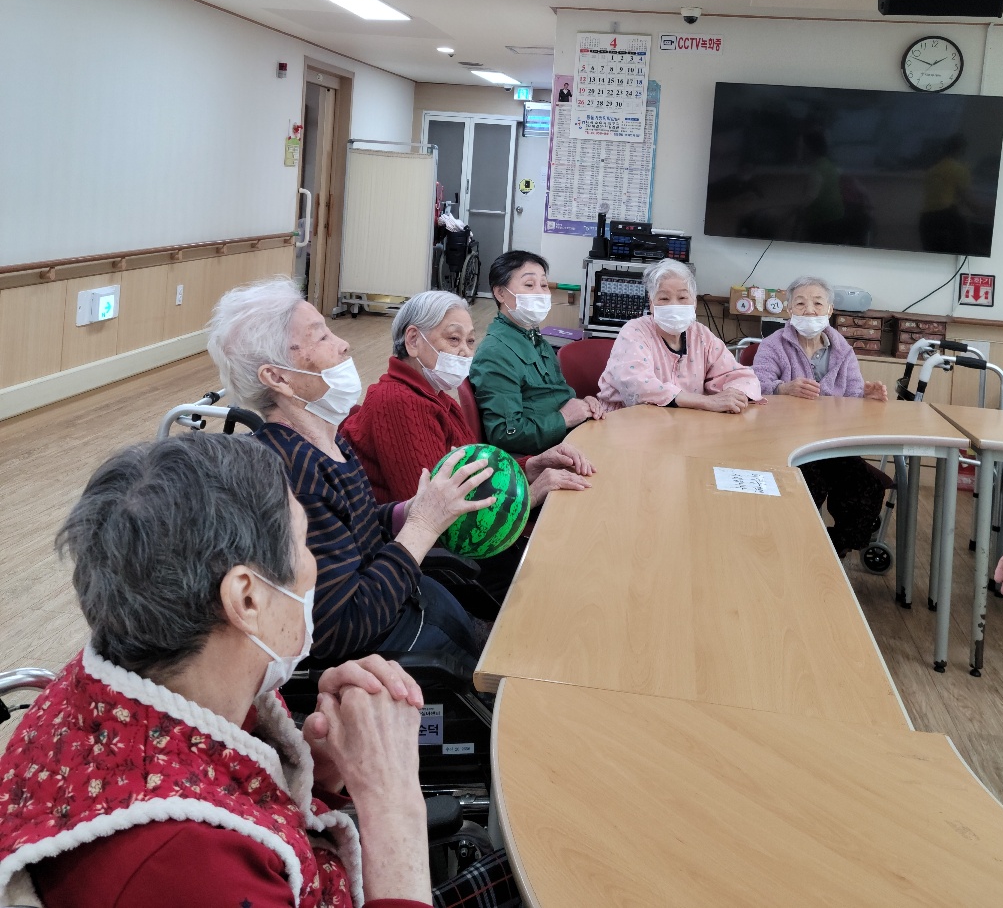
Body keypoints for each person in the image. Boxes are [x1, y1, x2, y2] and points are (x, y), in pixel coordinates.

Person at [0, 434, 520, 908]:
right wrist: (392, 804)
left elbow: (240, 792)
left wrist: (319, 768)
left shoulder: (135, 681)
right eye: (305, 544)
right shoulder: (184, 867)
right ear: (246, 598)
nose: (314, 566)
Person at [208, 277, 492, 671]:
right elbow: (343, 626)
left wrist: (407, 512)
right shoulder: (295, 479)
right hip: (380, 654)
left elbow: (354, 530)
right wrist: (424, 525)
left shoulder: (330, 442)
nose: (343, 343)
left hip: (410, 606)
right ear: (278, 377)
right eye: (321, 336)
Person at [349, 289, 595, 505]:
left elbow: (475, 470)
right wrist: (530, 494)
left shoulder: (438, 398)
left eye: (470, 341)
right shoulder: (398, 401)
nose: (466, 352)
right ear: (413, 340)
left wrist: (532, 465)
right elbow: (429, 515)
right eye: (453, 339)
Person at [752, 275, 892, 557]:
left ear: (829, 310)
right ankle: (790, 547)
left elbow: (852, 394)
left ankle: (831, 549)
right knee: (808, 486)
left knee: (867, 486)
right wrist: (783, 388)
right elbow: (755, 385)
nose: (809, 310)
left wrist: (866, 395)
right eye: (800, 303)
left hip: (832, 443)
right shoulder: (773, 345)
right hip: (786, 443)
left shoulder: (843, 350)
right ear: (789, 309)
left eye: (818, 303)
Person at [469, 250, 605, 454]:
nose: (541, 293)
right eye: (529, 285)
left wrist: (583, 405)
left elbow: (554, 394)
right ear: (500, 293)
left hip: (571, 438)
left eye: (544, 285)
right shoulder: (495, 354)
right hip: (544, 454)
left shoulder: (534, 337)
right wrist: (564, 418)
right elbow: (506, 434)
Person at [597, 258, 761, 413]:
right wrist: (706, 402)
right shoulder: (635, 331)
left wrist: (733, 396)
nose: (674, 305)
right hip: (626, 421)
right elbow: (638, 386)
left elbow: (742, 377)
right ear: (651, 303)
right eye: (664, 298)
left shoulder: (701, 335)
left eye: (682, 297)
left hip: (681, 424)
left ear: (694, 302)